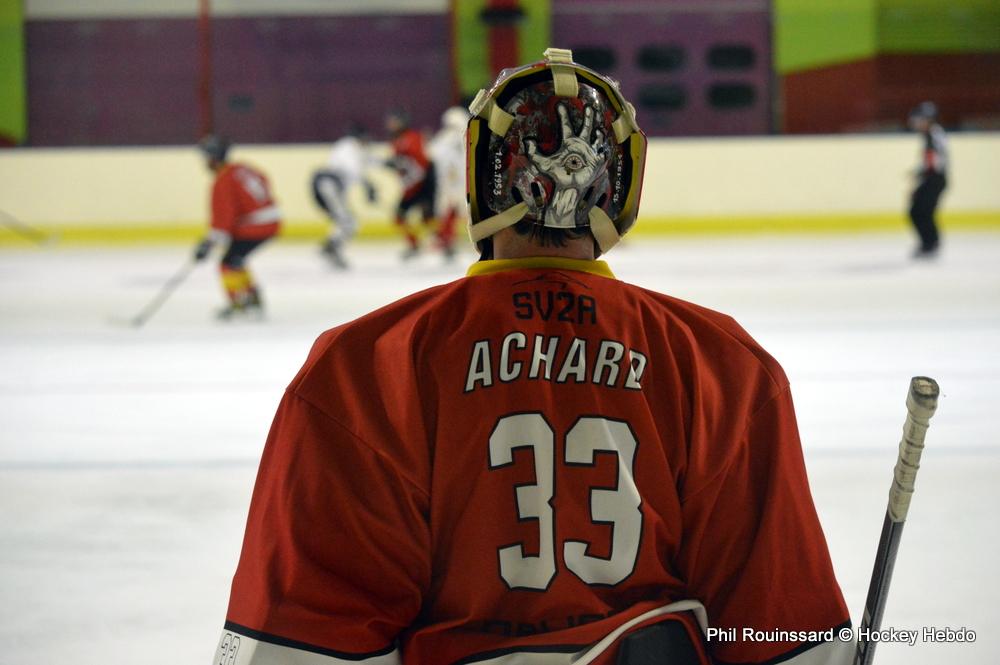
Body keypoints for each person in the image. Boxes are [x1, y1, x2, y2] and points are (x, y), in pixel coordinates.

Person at [215, 49, 852, 665]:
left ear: (482, 178)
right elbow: (782, 634)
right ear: (621, 188)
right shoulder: (723, 365)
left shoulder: (363, 366)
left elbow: (302, 646)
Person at [193, 135, 281, 319]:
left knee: (227, 263)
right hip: (272, 221)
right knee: (236, 259)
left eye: (206, 157)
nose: (204, 162)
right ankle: (252, 298)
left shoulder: (223, 180)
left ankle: (239, 302)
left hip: (255, 227)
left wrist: (208, 244)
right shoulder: (243, 168)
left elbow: (223, 220)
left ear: (213, 157)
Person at [312, 124, 378, 269]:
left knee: (346, 221)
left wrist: (387, 163)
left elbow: (369, 160)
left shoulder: (354, 149)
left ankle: (331, 247)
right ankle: (330, 248)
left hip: (327, 185)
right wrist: (368, 186)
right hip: (328, 185)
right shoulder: (348, 146)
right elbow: (354, 169)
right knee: (348, 221)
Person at [384, 108, 438, 260]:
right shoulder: (396, 141)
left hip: (423, 184)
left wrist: (410, 183)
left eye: (394, 121)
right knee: (400, 216)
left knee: (427, 216)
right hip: (414, 184)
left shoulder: (412, 137)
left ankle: (444, 243)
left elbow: (420, 165)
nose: (390, 124)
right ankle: (415, 244)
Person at [426, 106, 470, 260]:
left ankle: (445, 240)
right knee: (455, 211)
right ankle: (447, 240)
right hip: (461, 181)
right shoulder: (467, 135)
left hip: (448, 182)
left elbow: (431, 154)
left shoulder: (443, 138)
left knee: (449, 211)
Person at [907, 101, 948, 259]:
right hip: (933, 178)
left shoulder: (933, 134)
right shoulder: (933, 133)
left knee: (920, 211)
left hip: (934, 179)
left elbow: (934, 160)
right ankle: (930, 242)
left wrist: (921, 174)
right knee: (921, 211)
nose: (917, 123)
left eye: (920, 119)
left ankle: (930, 243)